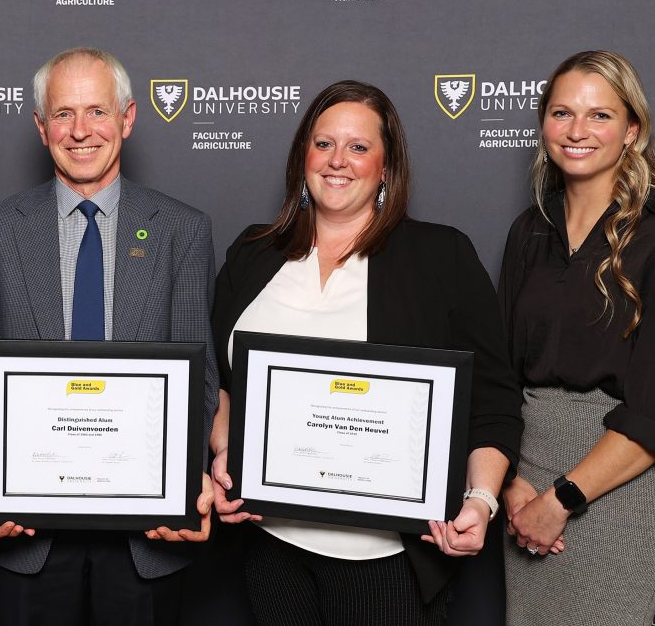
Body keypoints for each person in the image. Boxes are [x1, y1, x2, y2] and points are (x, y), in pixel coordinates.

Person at [210, 80, 524, 625]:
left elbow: (491, 402)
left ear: (386, 166)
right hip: (271, 545)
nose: (338, 161)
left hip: (387, 560)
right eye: (323, 143)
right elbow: (220, 380)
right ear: (301, 156)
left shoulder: (440, 257)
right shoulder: (255, 251)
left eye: (358, 147)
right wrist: (224, 454)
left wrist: (481, 500)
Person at [0, 47, 218, 625]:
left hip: (149, 532)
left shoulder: (182, 229)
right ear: (41, 127)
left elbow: (199, 380)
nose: (80, 131)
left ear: (127, 118)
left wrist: (180, 479)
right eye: (63, 114)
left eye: (97, 111)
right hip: (25, 531)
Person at [499, 51, 655, 625]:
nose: (576, 131)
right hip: (527, 476)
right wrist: (512, 484)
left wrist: (563, 499)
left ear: (632, 131)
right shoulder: (529, 234)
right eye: (562, 113)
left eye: (599, 116)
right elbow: (500, 370)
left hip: (617, 487)